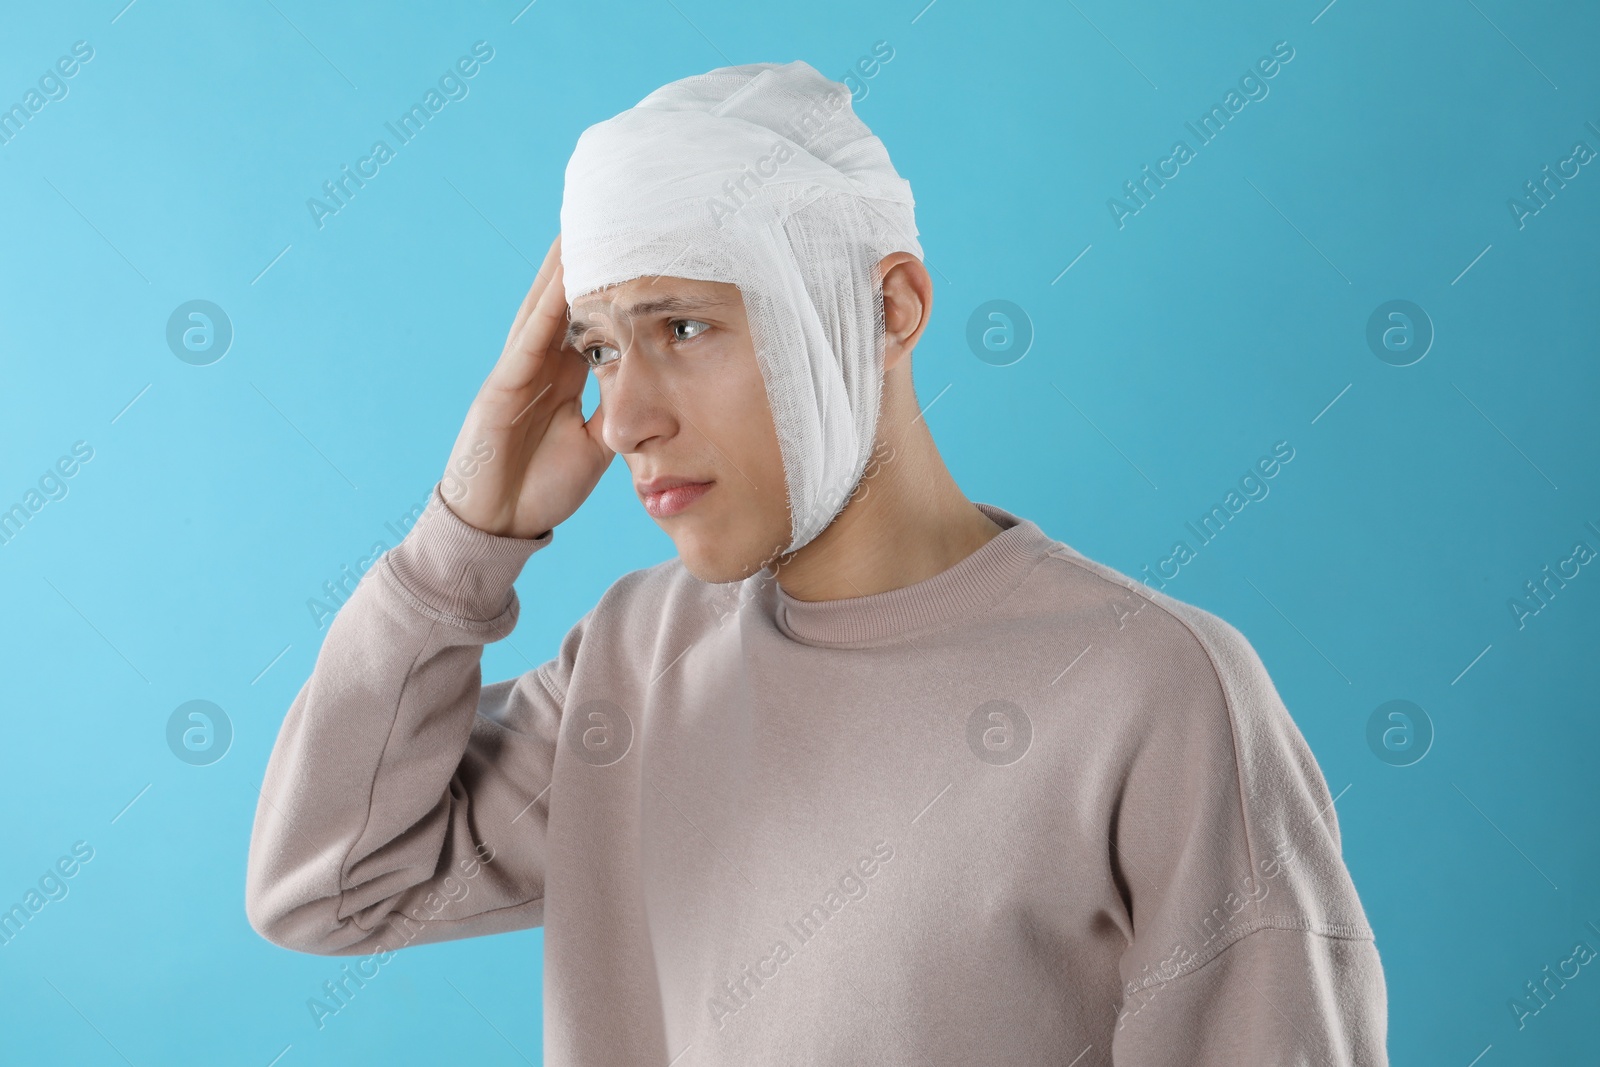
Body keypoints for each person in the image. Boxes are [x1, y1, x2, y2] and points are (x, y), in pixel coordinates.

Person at [246, 60, 1388, 1065]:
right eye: (596, 349)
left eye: (682, 327)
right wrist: (464, 534)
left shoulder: (1156, 693)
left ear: (887, 306)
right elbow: (331, 884)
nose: (621, 416)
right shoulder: (638, 660)